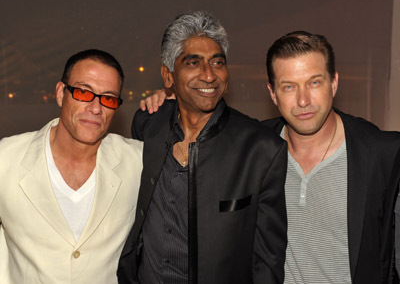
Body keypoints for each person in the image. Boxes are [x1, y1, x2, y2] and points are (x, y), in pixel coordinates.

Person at [138, 30, 400, 283]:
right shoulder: (254, 147)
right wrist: (170, 104)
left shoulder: (382, 154)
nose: (303, 100)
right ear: (272, 93)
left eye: (314, 82)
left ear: (334, 83)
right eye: (288, 87)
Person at [117, 11, 288, 284]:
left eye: (217, 62)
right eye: (193, 63)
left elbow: (268, 260)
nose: (209, 75)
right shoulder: (148, 124)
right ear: (168, 75)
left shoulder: (261, 149)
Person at [0, 49, 143, 284]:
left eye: (108, 98)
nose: (96, 108)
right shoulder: (6, 158)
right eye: (83, 92)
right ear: (60, 93)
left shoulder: (138, 161)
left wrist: (167, 109)